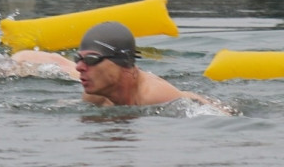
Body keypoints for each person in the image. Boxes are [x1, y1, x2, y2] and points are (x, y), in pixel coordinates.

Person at [11, 21, 226, 109]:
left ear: (122, 63)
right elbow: (63, 66)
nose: (80, 66)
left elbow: (199, 107)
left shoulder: (156, 97)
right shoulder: (96, 90)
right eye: (79, 59)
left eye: (91, 60)